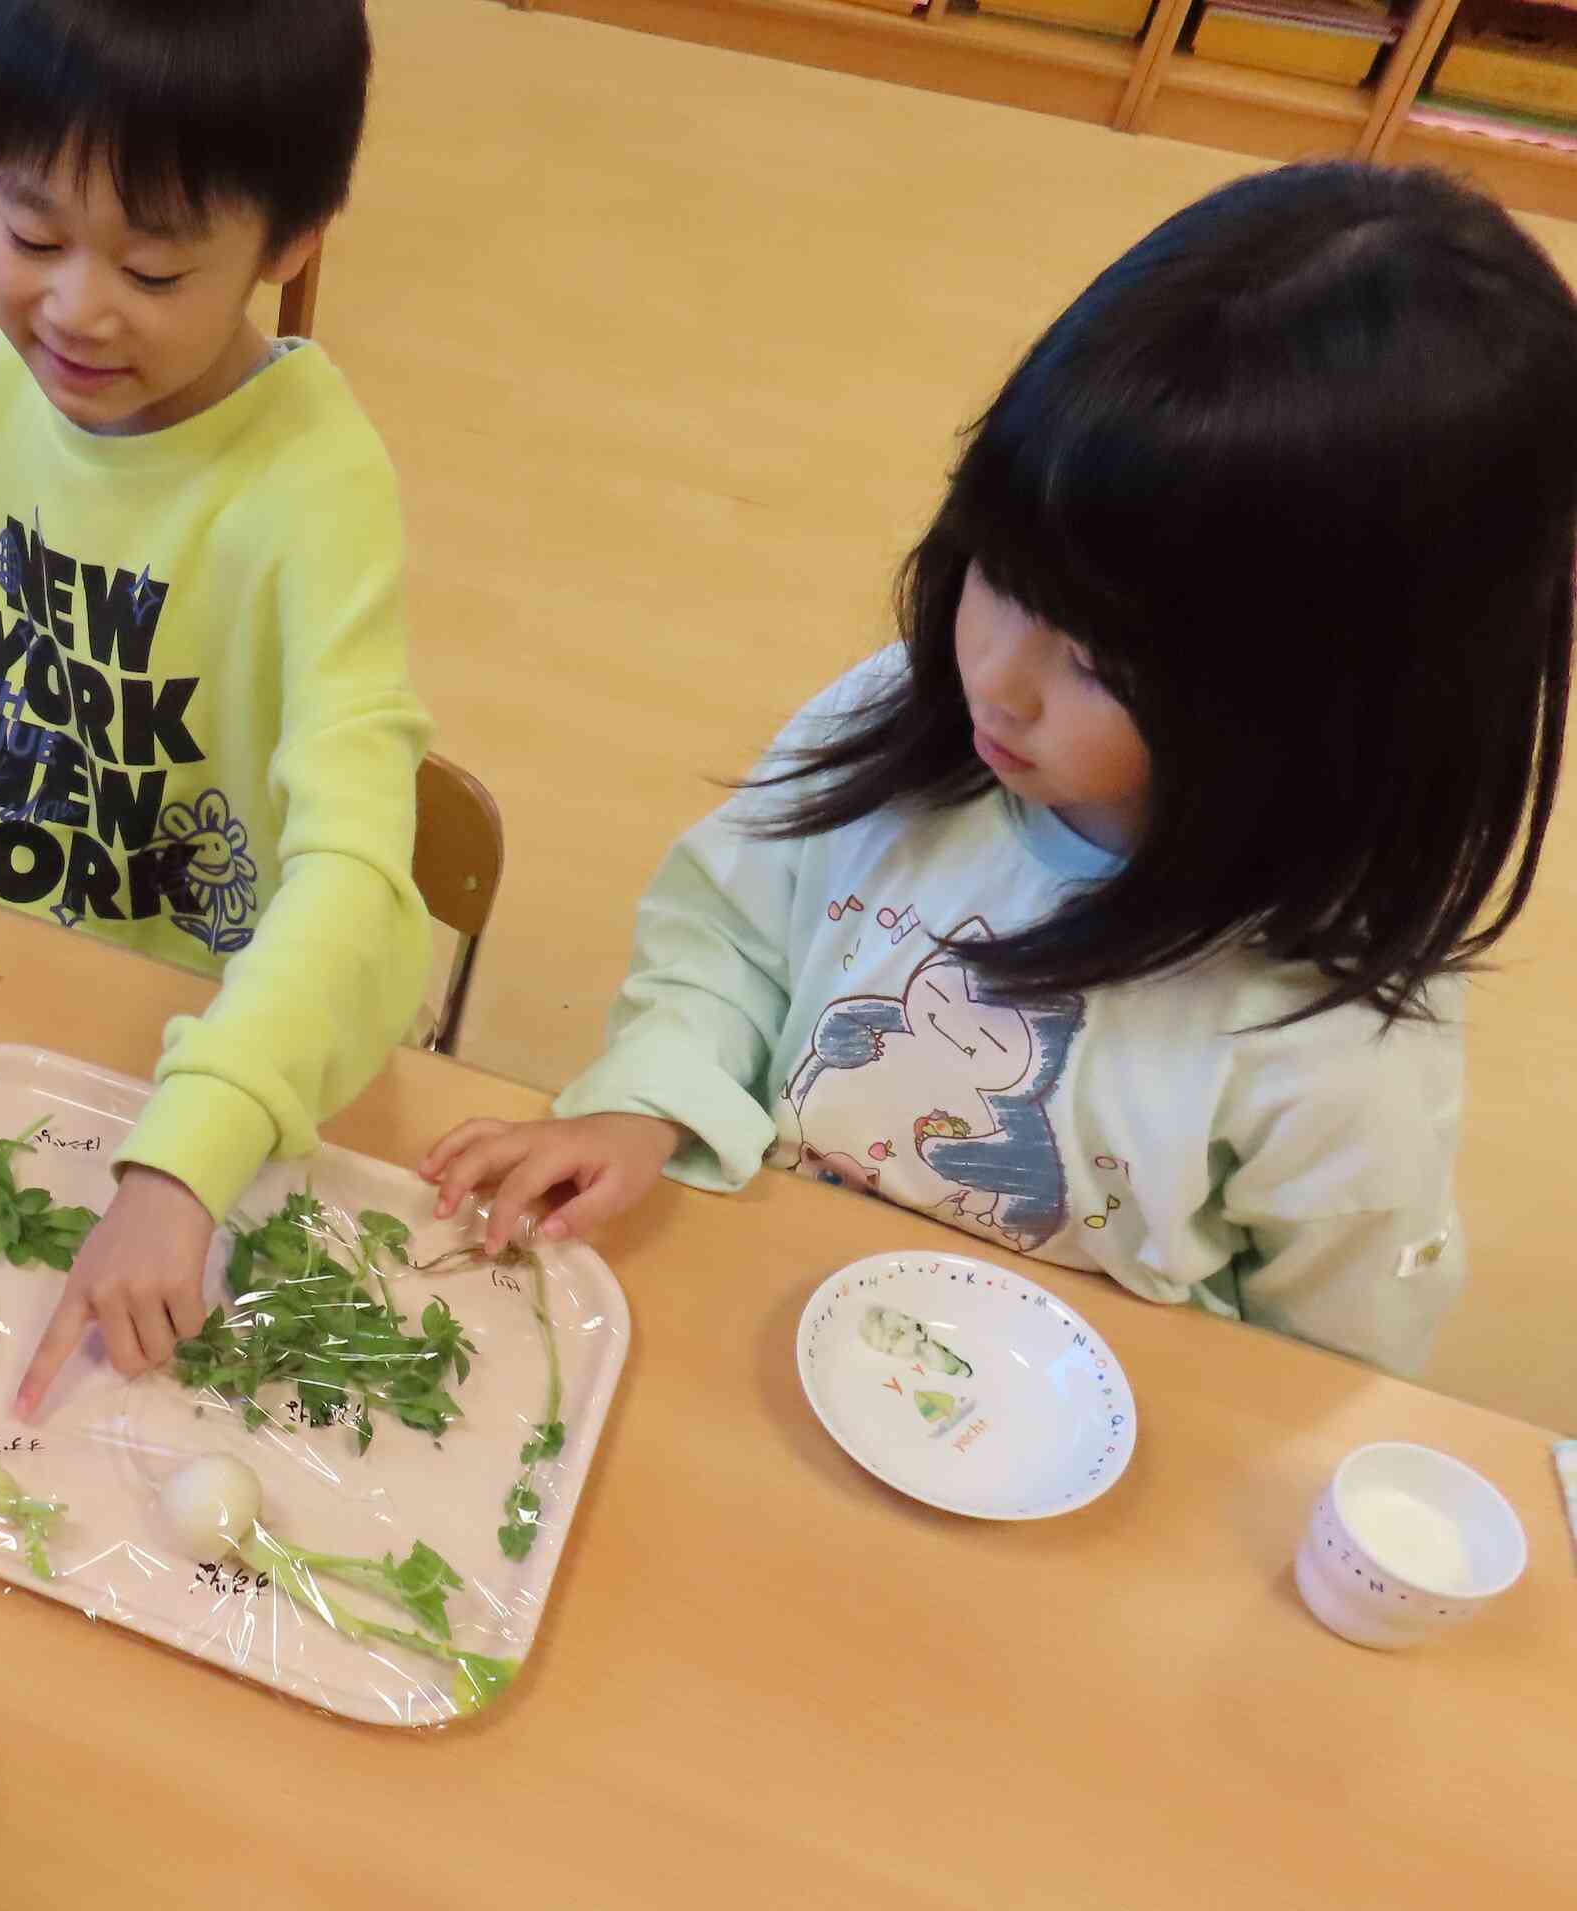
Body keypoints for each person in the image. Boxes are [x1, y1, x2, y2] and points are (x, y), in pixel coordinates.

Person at [423, 164, 1577, 1380]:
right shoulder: (907, 718)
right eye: (1004, 575)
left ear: (1334, 708)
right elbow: (730, 941)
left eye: (1100, 664)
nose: (997, 677)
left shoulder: (1338, 1036)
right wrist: (649, 1102)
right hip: (764, 1324)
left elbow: (1324, 1371)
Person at [0, 0, 431, 1416]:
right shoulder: (5, 386)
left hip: (249, 1049)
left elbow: (362, 875)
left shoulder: (315, 491)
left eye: (156, 264)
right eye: (34, 233)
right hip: (46, 1005)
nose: (74, 308)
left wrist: (192, 1149)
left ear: (290, 243)